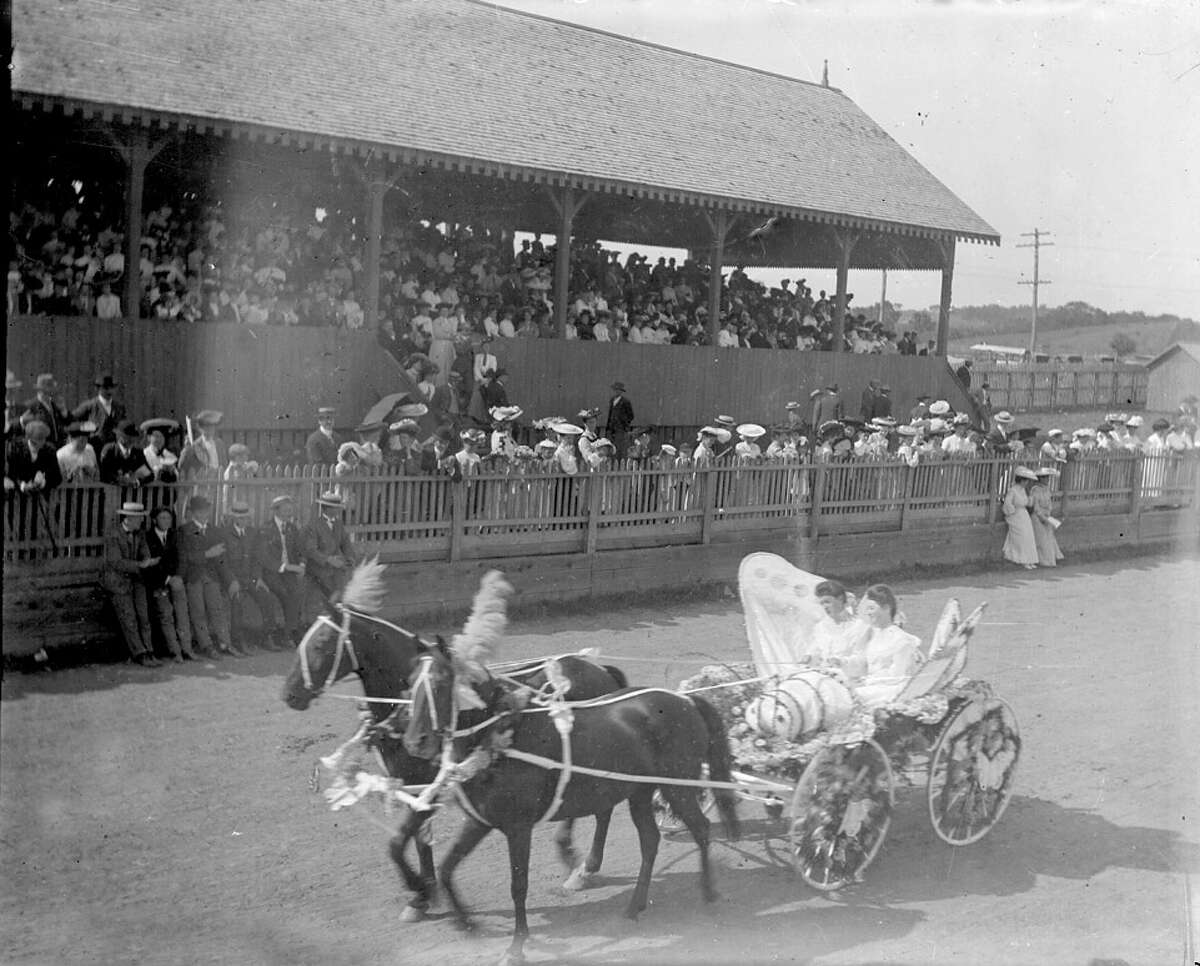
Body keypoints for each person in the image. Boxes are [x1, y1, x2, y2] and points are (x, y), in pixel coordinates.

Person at [177, 494, 244, 658]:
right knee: (198, 612)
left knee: (217, 609)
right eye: (201, 510)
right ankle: (206, 646)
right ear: (193, 513)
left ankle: (225, 643)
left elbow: (221, 560)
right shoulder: (184, 531)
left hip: (211, 577)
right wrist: (207, 554)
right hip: (193, 577)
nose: (205, 513)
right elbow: (184, 557)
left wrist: (231, 580)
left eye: (207, 509)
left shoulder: (215, 531)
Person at [100, 501, 161, 667]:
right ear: (129, 518)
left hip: (136, 579)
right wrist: (140, 565)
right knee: (129, 618)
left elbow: (144, 552)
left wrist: (148, 560)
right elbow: (116, 563)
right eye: (139, 518)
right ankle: (139, 653)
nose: (142, 521)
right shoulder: (113, 535)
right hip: (117, 582)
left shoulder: (139, 534)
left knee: (144, 616)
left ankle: (149, 651)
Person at [222, 501, 286, 651]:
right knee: (237, 600)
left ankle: (266, 637)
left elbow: (257, 559)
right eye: (240, 518)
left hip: (250, 578)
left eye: (246, 518)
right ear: (233, 518)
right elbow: (222, 562)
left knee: (266, 597)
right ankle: (238, 641)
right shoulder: (224, 533)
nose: (243, 521)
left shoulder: (253, 533)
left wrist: (257, 578)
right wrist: (231, 581)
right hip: (232, 579)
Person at [850, 584, 923, 706]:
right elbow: (861, 662)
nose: (868, 613)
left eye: (871, 608)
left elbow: (899, 674)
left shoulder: (901, 639)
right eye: (866, 609)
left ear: (886, 608)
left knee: (855, 696)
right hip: (871, 685)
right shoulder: (871, 635)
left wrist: (867, 681)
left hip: (892, 690)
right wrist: (841, 663)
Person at [142, 506, 196, 662]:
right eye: (162, 518)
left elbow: (183, 558)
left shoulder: (175, 535)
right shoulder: (147, 537)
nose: (166, 521)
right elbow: (150, 566)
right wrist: (167, 579)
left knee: (182, 612)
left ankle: (187, 649)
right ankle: (175, 651)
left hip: (176, 581)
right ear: (154, 520)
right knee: (166, 614)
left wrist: (178, 576)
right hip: (159, 583)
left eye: (169, 518)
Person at [257, 495, 309, 646]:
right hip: (272, 573)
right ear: (276, 511)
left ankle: (289, 635)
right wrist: (287, 567)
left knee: (297, 592)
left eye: (291, 510)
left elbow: (301, 550)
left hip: (289, 572)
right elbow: (265, 558)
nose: (289, 513)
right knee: (286, 594)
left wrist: (302, 566)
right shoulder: (266, 529)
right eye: (286, 510)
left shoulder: (292, 528)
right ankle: (285, 636)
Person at [303, 492, 358, 600]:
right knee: (332, 586)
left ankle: (340, 606)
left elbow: (346, 543)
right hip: (318, 565)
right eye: (335, 508)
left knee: (348, 579)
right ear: (326, 509)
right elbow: (311, 550)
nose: (337, 511)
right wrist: (328, 560)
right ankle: (333, 606)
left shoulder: (338, 524)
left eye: (338, 508)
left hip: (336, 564)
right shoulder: (313, 525)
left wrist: (350, 558)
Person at [803, 579, 867, 672]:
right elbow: (815, 649)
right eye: (822, 603)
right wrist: (809, 657)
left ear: (840, 599)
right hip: (823, 675)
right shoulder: (820, 627)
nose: (824, 606)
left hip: (848, 678)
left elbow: (863, 659)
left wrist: (841, 662)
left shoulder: (860, 626)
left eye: (827, 602)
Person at [4, 419, 63, 494]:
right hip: (15, 497)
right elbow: (10, 474)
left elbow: (57, 478)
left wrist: (44, 481)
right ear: (30, 439)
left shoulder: (50, 450)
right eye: (39, 439)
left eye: (44, 438)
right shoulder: (15, 449)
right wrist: (23, 486)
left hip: (41, 497)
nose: (43, 442)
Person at [72, 374, 126, 450]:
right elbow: (72, 421)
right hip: (94, 447)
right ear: (98, 389)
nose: (109, 391)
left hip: (113, 449)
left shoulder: (119, 407)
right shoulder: (89, 406)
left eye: (111, 388)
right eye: (105, 388)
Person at [1001, 467, 1040, 569]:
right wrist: (1012, 511)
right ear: (1021, 480)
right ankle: (1022, 560)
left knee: (1028, 536)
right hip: (1015, 516)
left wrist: (1031, 496)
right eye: (1025, 480)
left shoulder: (1023, 490)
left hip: (1024, 515)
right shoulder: (1012, 490)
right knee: (1021, 537)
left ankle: (1030, 559)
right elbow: (1007, 504)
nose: (1026, 482)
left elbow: (1027, 503)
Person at [23, 373, 70, 448]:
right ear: (40, 390)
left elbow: (65, 422)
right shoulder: (31, 406)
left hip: (59, 446)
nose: (50, 394)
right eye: (47, 391)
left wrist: (63, 410)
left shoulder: (54, 404)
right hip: (43, 448)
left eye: (51, 391)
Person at [99, 420, 152, 486]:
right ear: (119, 436)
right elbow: (104, 473)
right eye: (127, 437)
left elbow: (149, 475)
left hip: (133, 494)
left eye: (133, 437)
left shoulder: (137, 453)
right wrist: (121, 480)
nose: (131, 440)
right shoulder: (110, 450)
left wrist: (137, 482)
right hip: (112, 492)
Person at [1029, 468, 1064, 568]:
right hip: (1037, 517)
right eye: (1044, 478)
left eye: (1047, 478)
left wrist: (1048, 515)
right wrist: (1042, 517)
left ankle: (1051, 560)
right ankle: (1042, 560)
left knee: (1049, 538)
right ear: (1040, 479)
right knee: (1041, 539)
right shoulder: (1035, 490)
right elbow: (1036, 507)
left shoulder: (1047, 490)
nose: (1047, 480)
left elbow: (1049, 504)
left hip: (1046, 516)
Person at [178, 410, 227, 477]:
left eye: (212, 425)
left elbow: (224, 464)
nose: (210, 428)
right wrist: (186, 450)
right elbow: (181, 466)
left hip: (218, 481)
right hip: (202, 483)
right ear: (200, 428)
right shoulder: (194, 445)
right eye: (207, 425)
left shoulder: (220, 444)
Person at [606, 382, 635, 460]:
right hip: (612, 428)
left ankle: (619, 462)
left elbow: (631, 416)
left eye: (618, 390)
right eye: (615, 390)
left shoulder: (625, 402)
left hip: (621, 429)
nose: (616, 392)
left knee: (620, 447)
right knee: (611, 446)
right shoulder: (612, 400)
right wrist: (608, 426)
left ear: (621, 391)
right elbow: (610, 413)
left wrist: (624, 423)